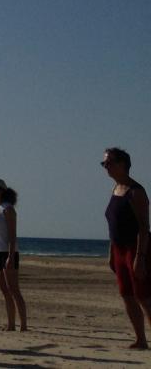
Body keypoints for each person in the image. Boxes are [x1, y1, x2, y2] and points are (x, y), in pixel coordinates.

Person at [102, 147, 151, 349]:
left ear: (122, 164)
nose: (106, 167)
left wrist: (140, 256)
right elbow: (113, 224)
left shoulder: (135, 191)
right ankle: (140, 339)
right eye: (104, 163)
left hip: (135, 248)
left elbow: (143, 227)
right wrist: (111, 253)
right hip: (119, 249)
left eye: (109, 162)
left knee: (144, 296)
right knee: (127, 295)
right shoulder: (116, 189)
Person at [0, 177, 27, 331]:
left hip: (8, 253)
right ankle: (10, 324)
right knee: (4, 290)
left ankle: (24, 325)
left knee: (13, 289)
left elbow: (12, 235)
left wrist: (10, 256)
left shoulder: (8, 209)